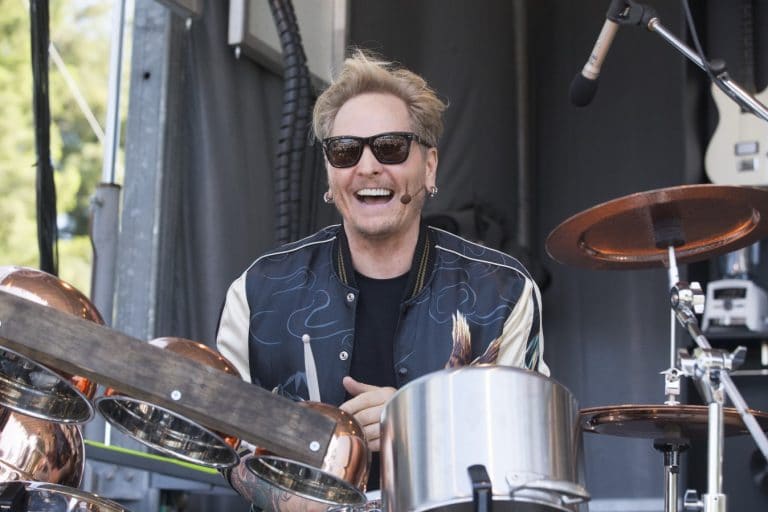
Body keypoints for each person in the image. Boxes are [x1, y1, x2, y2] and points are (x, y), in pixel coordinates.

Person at [216, 49, 549, 499]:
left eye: (390, 147)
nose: (368, 166)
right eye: (345, 150)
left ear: (429, 167)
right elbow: (226, 443)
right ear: (330, 174)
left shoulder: (503, 291)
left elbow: (527, 455)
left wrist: (416, 427)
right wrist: (285, 498)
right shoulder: (258, 291)